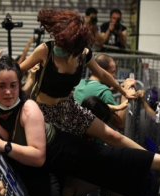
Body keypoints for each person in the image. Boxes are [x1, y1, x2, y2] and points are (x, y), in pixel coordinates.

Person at [0, 58, 160, 196]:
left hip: (60, 148)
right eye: (1, 86)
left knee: (113, 155)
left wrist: (1, 144)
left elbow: (37, 155)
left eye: (13, 85)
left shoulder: (28, 109)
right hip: (40, 166)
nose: (8, 91)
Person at [18, 8, 140, 150]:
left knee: (114, 136)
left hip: (68, 108)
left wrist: (123, 92)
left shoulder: (83, 54)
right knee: (57, 151)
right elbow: (18, 70)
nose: (59, 44)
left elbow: (102, 73)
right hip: (43, 112)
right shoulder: (45, 50)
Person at [73, 54, 128, 129]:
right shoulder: (104, 92)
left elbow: (94, 91)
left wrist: (119, 87)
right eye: (113, 72)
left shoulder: (81, 84)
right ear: (103, 72)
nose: (115, 76)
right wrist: (125, 93)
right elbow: (120, 124)